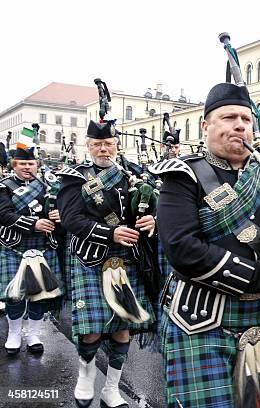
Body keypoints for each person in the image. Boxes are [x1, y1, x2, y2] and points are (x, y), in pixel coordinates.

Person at [153, 82, 260, 407]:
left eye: (246, 119)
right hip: (200, 320)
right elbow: (182, 249)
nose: (240, 125)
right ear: (206, 125)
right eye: (229, 117)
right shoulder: (183, 176)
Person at [57, 120, 155, 408]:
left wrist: (153, 220)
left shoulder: (131, 177)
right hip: (89, 258)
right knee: (91, 329)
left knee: (121, 328)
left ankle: (110, 390)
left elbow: (150, 208)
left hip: (126, 260)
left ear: (116, 145)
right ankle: (85, 377)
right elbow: (71, 219)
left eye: (108, 143)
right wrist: (110, 232)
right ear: (88, 146)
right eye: (97, 144)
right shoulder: (74, 178)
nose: (103, 149)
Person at [0, 144, 62, 355]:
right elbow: (4, 214)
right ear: (14, 165)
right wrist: (33, 224)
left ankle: (34, 334)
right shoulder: (4, 187)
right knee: (15, 296)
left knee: (39, 294)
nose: (27, 167)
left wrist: (59, 216)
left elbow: (61, 211)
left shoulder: (49, 186)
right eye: (23, 164)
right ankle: (14, 334)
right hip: (15, 246)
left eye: (31, 163)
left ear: (37, 164)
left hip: (43, 247)